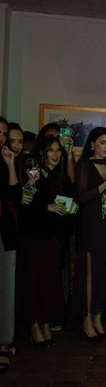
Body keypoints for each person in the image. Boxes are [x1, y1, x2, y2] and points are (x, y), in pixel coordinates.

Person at [16, 136, 72, 347]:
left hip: (52, 236)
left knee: (49, 283)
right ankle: (34, 325)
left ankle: (45, 323)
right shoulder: (34, 172)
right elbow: (25, 203)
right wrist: (46, 207)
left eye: (58, 150)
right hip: (33, 236)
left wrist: (68, 208)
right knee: (33, 282)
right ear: (42, 152)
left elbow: (67, 201)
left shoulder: (60, 176)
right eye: (51, 150)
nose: (55, 154)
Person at [72, 127, 106, 340]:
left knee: (105, 272)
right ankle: (86, 320)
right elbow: (82, 196)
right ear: (92, 143)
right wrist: (105, 186)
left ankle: (98, 318)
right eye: (103, 142)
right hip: (90, 225)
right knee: (90, 273)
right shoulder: (84, 164)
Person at [0, 117, 20, 373]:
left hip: (5, 232)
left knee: (5, 290)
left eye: (4, 134)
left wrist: (11, 163)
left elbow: (15, 196)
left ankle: (4, 344)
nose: (2, 138)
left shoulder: (5, 161)